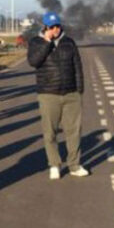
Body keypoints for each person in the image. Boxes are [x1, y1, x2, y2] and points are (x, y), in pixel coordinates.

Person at [27, 12, 89, 180]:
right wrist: (47, 42)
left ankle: (74, 165)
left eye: (57, 26)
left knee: (73, 131)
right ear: (45, 27)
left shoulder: (69, 42)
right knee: (50, 133)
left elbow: (77, 66)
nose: (55, 29)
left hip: (71, 94)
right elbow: (34, 62)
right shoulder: (36, 42)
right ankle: (54, 164)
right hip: (48, 94)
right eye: (52, 27)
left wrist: (79, 89)